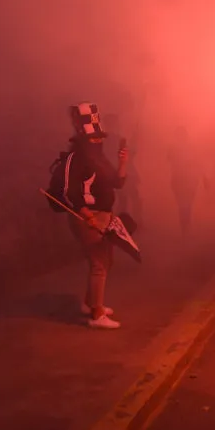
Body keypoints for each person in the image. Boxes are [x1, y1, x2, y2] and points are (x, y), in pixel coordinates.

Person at [65, 103, 128, 329]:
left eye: (99, 137)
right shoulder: (78, 157)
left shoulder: (99, 157)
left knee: (105, 260)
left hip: (103, 214)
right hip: (88, 216)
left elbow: (117, 182)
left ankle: (90, 303)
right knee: (99, 262)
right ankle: (97, 314)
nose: (98, 141)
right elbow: (70, 192)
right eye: (94, 138)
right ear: (84, 138)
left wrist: (123, 162)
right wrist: (86, 216)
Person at [168, 126, 204, 236]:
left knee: (184, 205)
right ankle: (185, 227)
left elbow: (197, 162)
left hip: (186, 179)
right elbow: (197, 162)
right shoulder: (179, 148)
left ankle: (185, 227)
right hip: (185, 179)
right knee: (186, 204)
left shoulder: (176, 148)